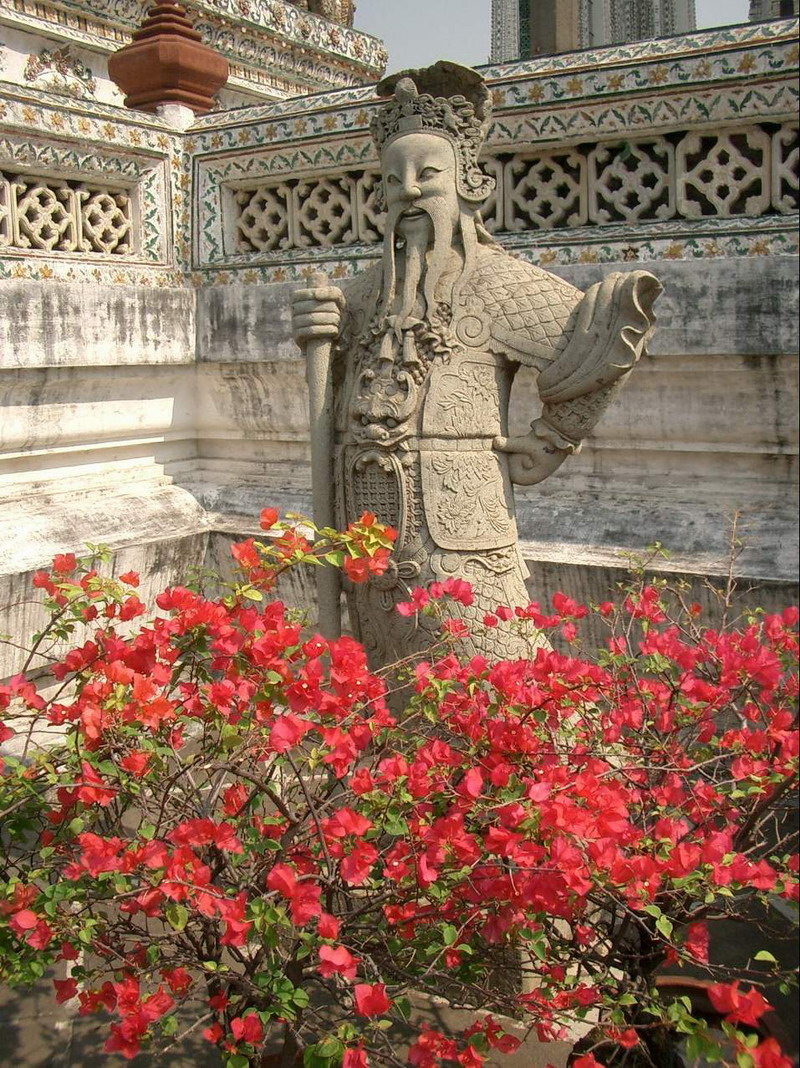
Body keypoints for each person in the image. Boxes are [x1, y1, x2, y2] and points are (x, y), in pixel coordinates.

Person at [292, 60, 661, 668]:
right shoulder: (357, 297)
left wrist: (554, 437)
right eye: (391, 180)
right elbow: (331, 409)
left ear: (470, 183)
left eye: (426, 174)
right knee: (396, 699)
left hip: (463, 547)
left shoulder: (498, 285)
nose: (407, 190)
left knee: (493, 691)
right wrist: (319, 339)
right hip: (370, 550)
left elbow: (601, 341)